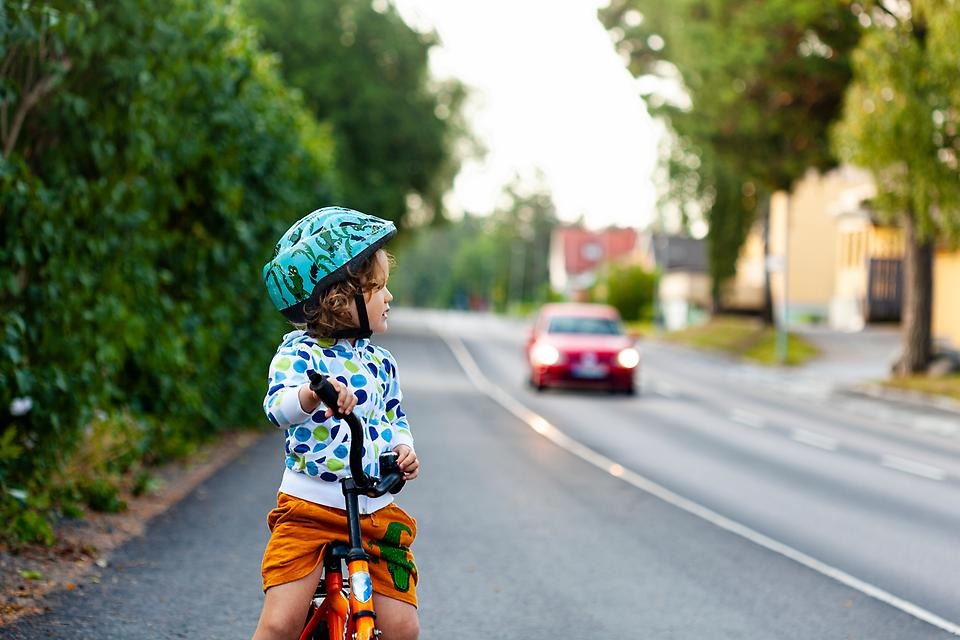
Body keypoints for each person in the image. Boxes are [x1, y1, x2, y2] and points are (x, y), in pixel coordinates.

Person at [252, 207, 420, 640]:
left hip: (375, 508)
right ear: (339, 300)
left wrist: (403, 446)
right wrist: (310, 396)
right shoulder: (300, 354)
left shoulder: (381, 362)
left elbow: (392, 416)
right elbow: (278, 407)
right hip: (309, 508)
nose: (389, 297)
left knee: (403, 628)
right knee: (279, 624)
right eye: (379, 288)